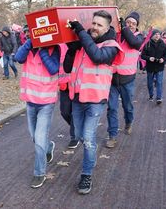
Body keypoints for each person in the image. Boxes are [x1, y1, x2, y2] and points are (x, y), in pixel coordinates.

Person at [64, 10, 123, 194]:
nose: (95, 28)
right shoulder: (84, 42)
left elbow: (98, 57)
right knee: (80, 136)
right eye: (94, 23)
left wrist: (81, 32)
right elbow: (67, 67)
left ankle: (86, 174)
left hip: (95, 101)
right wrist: (71, 49)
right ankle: (91, 156)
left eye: (99, 25)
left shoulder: (111, 45)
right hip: (77, 98)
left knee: (88, 139)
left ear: (107, 28)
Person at [14, 37, 60, 189]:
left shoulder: (55, 49)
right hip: (30, 101)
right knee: (34, 137)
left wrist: (43, 51)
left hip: (46, 102)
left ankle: (39, 173)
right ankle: (49, 147)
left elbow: (53, 69)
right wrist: (30, 43)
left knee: (39, 139)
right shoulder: (28, 48)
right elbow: (18, 58)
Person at [105, 11, 143, 149]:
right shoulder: (116, 35)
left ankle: (129, 122)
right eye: (128, 22)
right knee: (112, 108)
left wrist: (124, 28)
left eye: (133, 23)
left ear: (137, 26)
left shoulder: (139, 37)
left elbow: (133, 43)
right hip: (112, 79)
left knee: (127, 106)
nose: (130, 25)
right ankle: (112, 135)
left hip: (128, 80)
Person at [141, 29, 166, 104]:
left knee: (159, 82)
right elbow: (142, 55)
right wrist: (149, 58)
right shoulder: (147, 44)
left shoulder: (163, 44)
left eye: (158, 34)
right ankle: (151, 95)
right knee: (150, 83)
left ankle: (159, 97)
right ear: (152, 35)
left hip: (159, 66)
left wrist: (163, 59)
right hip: (150, 67)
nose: (157, 36)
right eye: (155, 34)